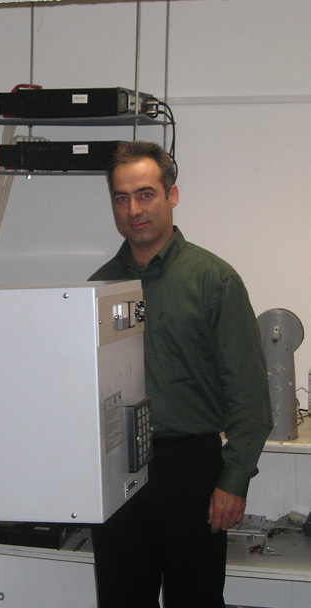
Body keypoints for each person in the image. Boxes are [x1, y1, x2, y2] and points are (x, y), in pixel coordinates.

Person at [89, 141, 272, 608]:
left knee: (196, 600)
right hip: (116, 471)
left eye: (145, 194)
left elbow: (251, 398)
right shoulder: (97, 288)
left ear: (172, 195)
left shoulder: (213, 280)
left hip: (191, 470)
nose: (133, 210)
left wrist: (234, 481)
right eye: (121, 197)